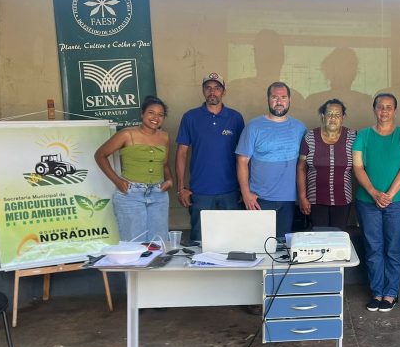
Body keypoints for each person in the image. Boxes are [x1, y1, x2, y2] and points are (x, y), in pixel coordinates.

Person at [353, 93, 400, 313]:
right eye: (380, 107)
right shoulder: (364, 135)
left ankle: (391, 293)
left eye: (389, 107)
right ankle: (377, 292)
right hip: (367, 202)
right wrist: (374, 193)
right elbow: (358, 167)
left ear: (395, 110)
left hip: (399, 202)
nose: (384, 111)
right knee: (373, 247)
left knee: (393, 249)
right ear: (374, 109)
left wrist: (388, 194)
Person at [175, 72, 245, 243]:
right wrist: (181, 188)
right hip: (200, 192)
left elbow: (244, 156)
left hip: (230, 191)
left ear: (224, 92)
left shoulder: (235, 118)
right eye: (208, 88)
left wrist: (245, 188)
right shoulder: (190, 117)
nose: (212, 92)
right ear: (203, 91)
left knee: (232, 240)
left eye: (217, 88)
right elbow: (181, 153)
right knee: (200, 241)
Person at [94, 96, 172, 242]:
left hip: (158, 195)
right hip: (131, 194)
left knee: (158, 243)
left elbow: (164, 164)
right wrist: (117, 181)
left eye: (160, 115)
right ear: (142, 114)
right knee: (134, 244)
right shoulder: (126, 134)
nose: (155, 117)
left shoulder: (164, 137)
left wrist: (169, 180)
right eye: (151, 112)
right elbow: (100, 155)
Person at [236, 82, 306, 239]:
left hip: (288, 200)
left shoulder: (300, 128)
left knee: (282, 248)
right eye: (274, 97)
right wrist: (246, 193)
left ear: (289, 100)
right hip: (259, 200)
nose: (279, 101)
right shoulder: (254, 127)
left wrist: (302, 196)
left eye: (283, 97)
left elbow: (304, 166)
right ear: (268, 99)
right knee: (259, 246)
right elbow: (241, 162)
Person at [297, 99, 357, 230]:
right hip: (315, 200)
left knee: (339, 237)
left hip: (343, 199)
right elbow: (301, 168)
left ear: (343, 117)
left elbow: (359, 166)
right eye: (330, 114)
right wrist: (302, 197)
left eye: (337, 115)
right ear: (323, 116)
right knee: (319, 238)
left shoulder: (352, 137)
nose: (333, 118)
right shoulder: (310, 137)